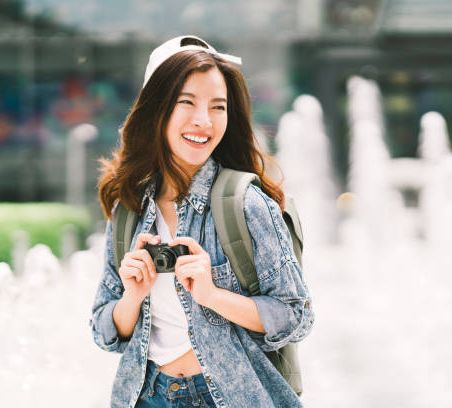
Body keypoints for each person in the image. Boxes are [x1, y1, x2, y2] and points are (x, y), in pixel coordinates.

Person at [90, 35, 314, 408]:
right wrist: (133, 296)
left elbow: (296, 315)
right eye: (186, 103)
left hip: (228, 396)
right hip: (146, 395)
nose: (203, 121)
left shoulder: (245, 203)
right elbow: (104, 329)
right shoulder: (129, 206)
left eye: (218, 106)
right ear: (156, 109)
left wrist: (212, 296)